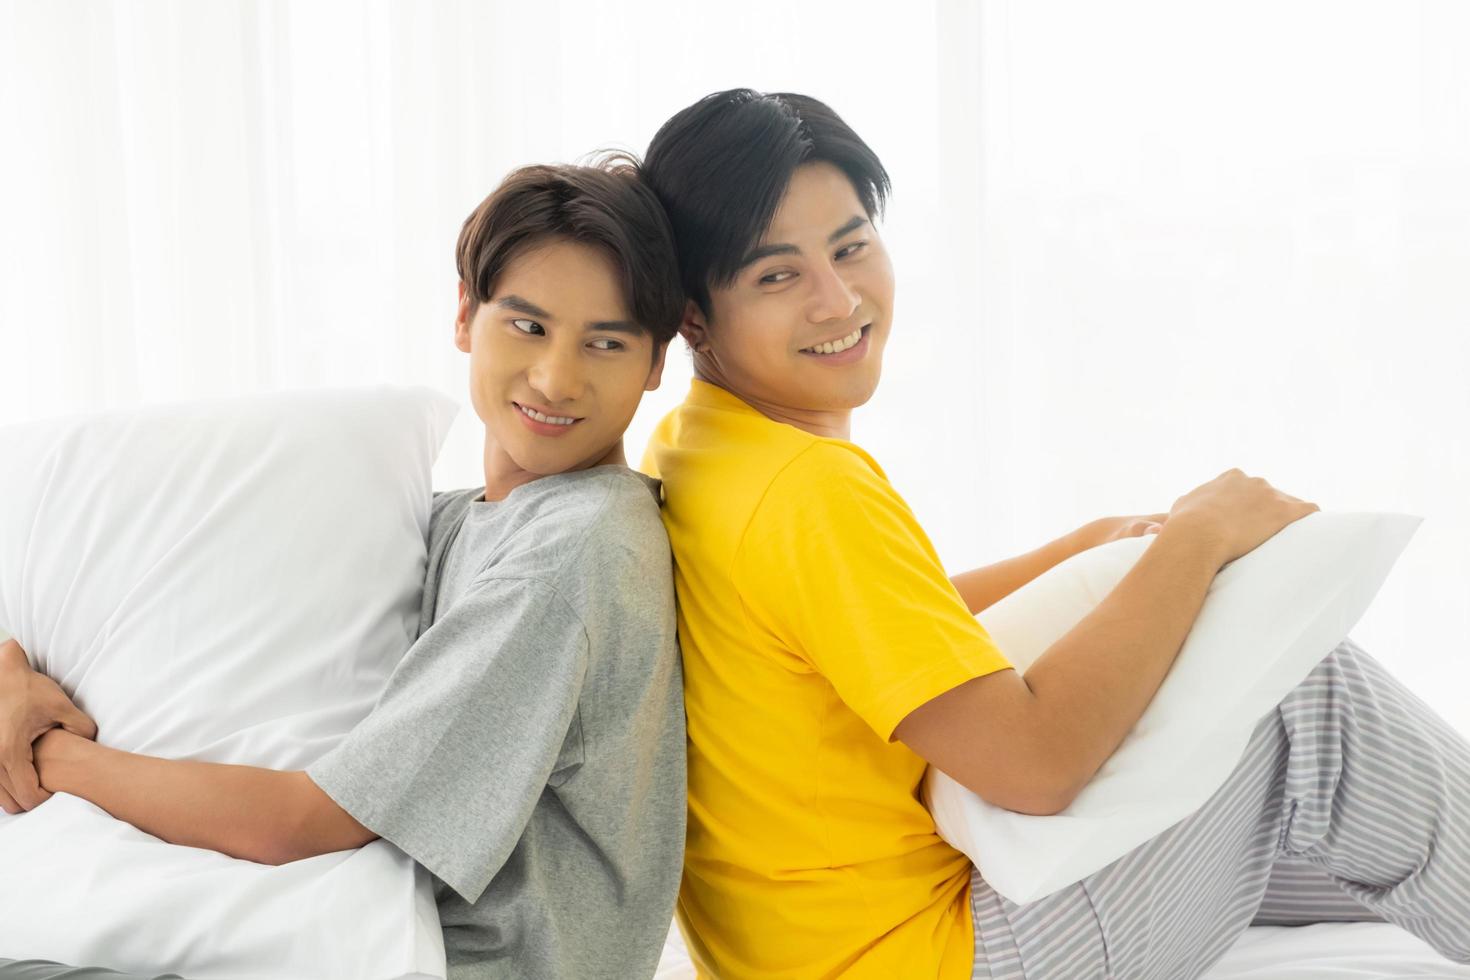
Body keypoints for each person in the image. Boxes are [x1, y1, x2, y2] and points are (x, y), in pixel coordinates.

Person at [638, 88, 1470, 979]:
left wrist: (1081, 547)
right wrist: (1199, 536)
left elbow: (859, 637)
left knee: (1323, 804)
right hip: (935, 958)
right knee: (1306, 696)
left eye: (851, 247)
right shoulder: (810, 494)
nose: (838, 299)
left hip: (813, 953)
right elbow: (1032, 767)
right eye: (777, 275)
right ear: (694, 312)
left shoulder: (701, 447)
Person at [0, 159, 688, 980]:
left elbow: (308, 821)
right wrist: (13, 662)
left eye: (604, 343)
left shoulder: (577, 550)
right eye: (529, 326)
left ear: (655, 363)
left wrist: (56, 759)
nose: (555, 378)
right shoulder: (461, 522)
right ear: (466, 314)